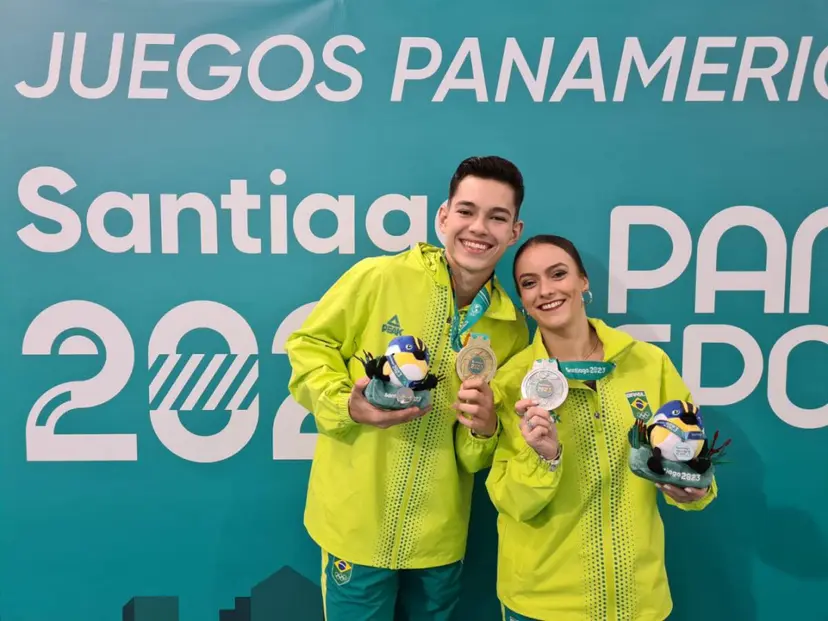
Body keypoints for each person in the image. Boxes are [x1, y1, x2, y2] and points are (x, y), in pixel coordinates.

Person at [285, 156, 531, 621]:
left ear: (514, 232)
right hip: (356, 526)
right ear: (443, 216)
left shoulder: (510, 329)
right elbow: (308, 345)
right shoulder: (380, 277)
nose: (479, 228)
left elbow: (475, 456)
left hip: (439, 539)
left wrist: (483, 430)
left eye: (497, 217)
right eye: (467, 211)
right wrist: (346, 404)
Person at [484, 234, 718, 621]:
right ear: (523, 300)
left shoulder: (648, 363)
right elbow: (511, 501)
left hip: (638, 601)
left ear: (583, 281)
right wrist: (544, 457)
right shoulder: (512, 383)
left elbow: (691, 455)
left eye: (558, 274)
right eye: (529, 282)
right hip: (544, 604)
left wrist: (695, 487)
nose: (546, 290)